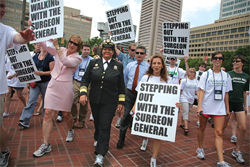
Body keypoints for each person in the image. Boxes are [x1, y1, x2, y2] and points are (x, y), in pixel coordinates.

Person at [33, 35, 83, 158]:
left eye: (75, 44)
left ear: (78, 47)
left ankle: (70, 130)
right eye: (71, 42)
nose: (72, 44)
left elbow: (66, 62)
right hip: (53, 85)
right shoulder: (61, 49)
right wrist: (38, 33)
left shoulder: (78, 58)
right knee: (48, 113)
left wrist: (56, 46)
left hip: (65, 87)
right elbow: (44, 46)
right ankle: (46, 144)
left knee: (66, 114)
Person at [79, 39, 125, 167]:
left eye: (110, 49)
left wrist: (121, 101)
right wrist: (83, 93)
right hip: (95, 100)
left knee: (105, 125)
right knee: (98, 123)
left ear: (113, 52)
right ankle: (98, 137)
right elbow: (85, 80)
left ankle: (100, 154)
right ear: (102, 50)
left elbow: (121, 85)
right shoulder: (93, 63)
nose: (107, 51)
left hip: (110, 102)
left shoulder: (118, 66)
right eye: (105, 49)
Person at [0, 0, 36, 166]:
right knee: (9, 93)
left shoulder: (5, 30)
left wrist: (25, 38)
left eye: (4, 6)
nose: (4, 10)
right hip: (9, 78)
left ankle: (3, 151)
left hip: (12, 79)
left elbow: (17, 38)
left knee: (16, 94)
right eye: (0, 6)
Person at [130, 54, 169, 167]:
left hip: (160, 111)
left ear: (162, 66)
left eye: (159, 63)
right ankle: (145, 139)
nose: (156, 65)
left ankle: (154, 158)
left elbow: (172, 96)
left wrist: (176, 104)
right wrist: (134, 107)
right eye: (154, 63)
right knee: (146, 130)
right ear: (151, 65)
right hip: (147, 109)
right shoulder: (145, 78)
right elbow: (139, 94)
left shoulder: (168, 80)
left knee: (158, 135)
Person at [196, 51, 232, 167]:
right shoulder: (206, 74)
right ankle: (200, 148)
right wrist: (199, 106)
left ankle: (220, 161)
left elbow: (226, 93)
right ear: (212, 60)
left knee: (219, 133)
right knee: (202, 128)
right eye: (216, 58)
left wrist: (227, 108)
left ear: (222, 60)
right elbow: (201, 91)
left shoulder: (226, 75)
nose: (218, 60)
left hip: (219, 108)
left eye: (220, 58)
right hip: (206, 107)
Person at [116, 45, 150, 150]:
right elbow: (124, 78)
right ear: (134, 53)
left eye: (141, 53)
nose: (139, 54)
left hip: (142, 95)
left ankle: (144, 140)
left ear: (145, 55)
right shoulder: (130, 66)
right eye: (137, 52)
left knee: (141, 116)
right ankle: (121, 139)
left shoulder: (149, 67)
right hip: (130, 93)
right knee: (126, 115)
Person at [18, 46, 55, 128]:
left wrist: (41, 73)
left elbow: (52, 71)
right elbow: (30, 69)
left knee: (46, 102)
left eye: (44, 45)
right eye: (41, 45)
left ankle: (46, 120)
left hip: (45, 82)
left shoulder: (50, 58)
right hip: (35, 83)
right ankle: (25, 120)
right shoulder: (35, 57)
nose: (42, 47)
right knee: (32, 101)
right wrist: (29, 81)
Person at [223, 55, 249, 164]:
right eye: (233, 61)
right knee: (223, 126)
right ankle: (219, 145)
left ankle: (237, 150)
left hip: (239, 104)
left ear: (242, 63)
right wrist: (227, 107)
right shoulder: (228, 74)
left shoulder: (246, 76)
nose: (234, 62)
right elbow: (226, 91)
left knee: (243, 128)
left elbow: (244, 92)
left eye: (237, 61)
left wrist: (245, 106)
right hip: (229, 102)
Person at [114, 43, 137, 128]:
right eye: (133, 50)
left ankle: (130, 121)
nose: (134, 52)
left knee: (130, 104)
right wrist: (113, 39)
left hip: (131, 86)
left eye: (135, 50)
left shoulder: (137, 59)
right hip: (122, 84)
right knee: (119, 102)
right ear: (129, 50)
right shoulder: (124, 57)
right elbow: (115, 49)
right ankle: (119, 118)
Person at [70, 43, 93, 129]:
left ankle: (82, 121)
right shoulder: (76, 59)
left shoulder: (92, 60)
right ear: (81, 50)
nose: (86, 51)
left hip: (87, 83)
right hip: (76, 81)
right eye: (85, 49)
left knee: (84, 103)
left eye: (88, 50)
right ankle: (73, 118)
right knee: (72, 101)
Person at [180, 68, 198, 135]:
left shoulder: (196, 81)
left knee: (186, 111)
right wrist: (177, 98)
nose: (192, 73)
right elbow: (180, 89)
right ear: (188, 73)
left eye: (193, 72)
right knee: (186, 111)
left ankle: (181, 123)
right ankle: (186, 127)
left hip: (191, 99)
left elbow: (197, 90)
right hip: (184, 97)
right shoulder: (184, 80)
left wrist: (198, 97)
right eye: (191, 72)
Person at [195, 62, 207, 129]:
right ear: (199, 67)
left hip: (201, 92)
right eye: (201, 66)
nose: (202, 68)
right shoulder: (196, 73)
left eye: (204, 67)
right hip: (193, 91)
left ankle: (198, 121)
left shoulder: (206, 75)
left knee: (200, 106)